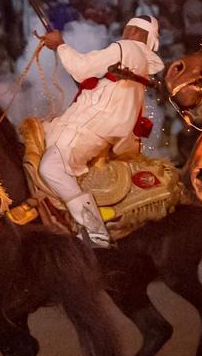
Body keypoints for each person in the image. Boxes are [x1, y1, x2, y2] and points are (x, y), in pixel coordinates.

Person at [34, 17, 164, 248]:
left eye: (126, 28)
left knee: (49, 167)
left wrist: (61, 44)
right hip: (101, 130)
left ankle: (96, 232)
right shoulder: (139, 62)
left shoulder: (127, 47)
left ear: (133, 30)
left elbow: (82, 69)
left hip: (89, 127)